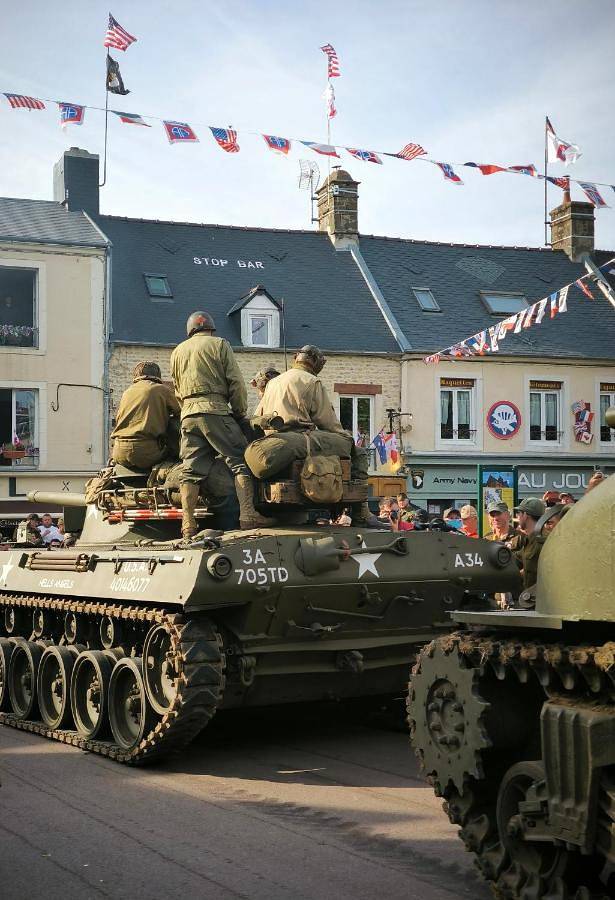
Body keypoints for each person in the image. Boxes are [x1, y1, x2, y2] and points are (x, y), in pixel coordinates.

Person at [171, 310, 271, 535]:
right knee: (239, 462)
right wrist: (239, 412)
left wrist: (187, 409)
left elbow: (177, 389)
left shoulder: (177, 351)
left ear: (190, 330)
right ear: (211, 328)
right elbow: (235, 381)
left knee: (190, 470)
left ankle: (188, 524)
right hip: (215, 411)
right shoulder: (219, 344)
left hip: (188, 415)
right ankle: (248, 515)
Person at [111, 362, 181, 470]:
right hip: (146, 453)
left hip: (119, 452)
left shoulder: (127, 392)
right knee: (177, 422)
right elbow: (181, 411)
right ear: (157, 376)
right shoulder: (161, 389)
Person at [510, 497, 546, 590]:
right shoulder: (530, 539)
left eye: (519, 513)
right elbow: (516, 558)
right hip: (530, 597)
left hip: (540, 598)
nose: (517, 516)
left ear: (525, 515)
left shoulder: (541, 541)